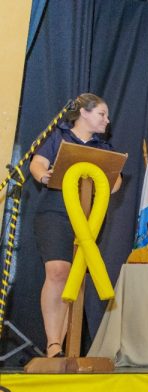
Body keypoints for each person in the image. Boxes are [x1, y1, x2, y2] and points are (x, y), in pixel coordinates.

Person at [29, 93, 123, 358]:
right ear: (83, 112)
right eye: (102, 114)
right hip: (55, 213)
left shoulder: (103, 148)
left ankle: (65, 348)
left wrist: (109, 181)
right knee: (58, 271)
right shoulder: (59, 137)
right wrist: (43, 175)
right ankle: (53, 344)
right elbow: (37, 164)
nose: (107, 120)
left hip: (88, 219)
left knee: (76, 277)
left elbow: (116, 182)